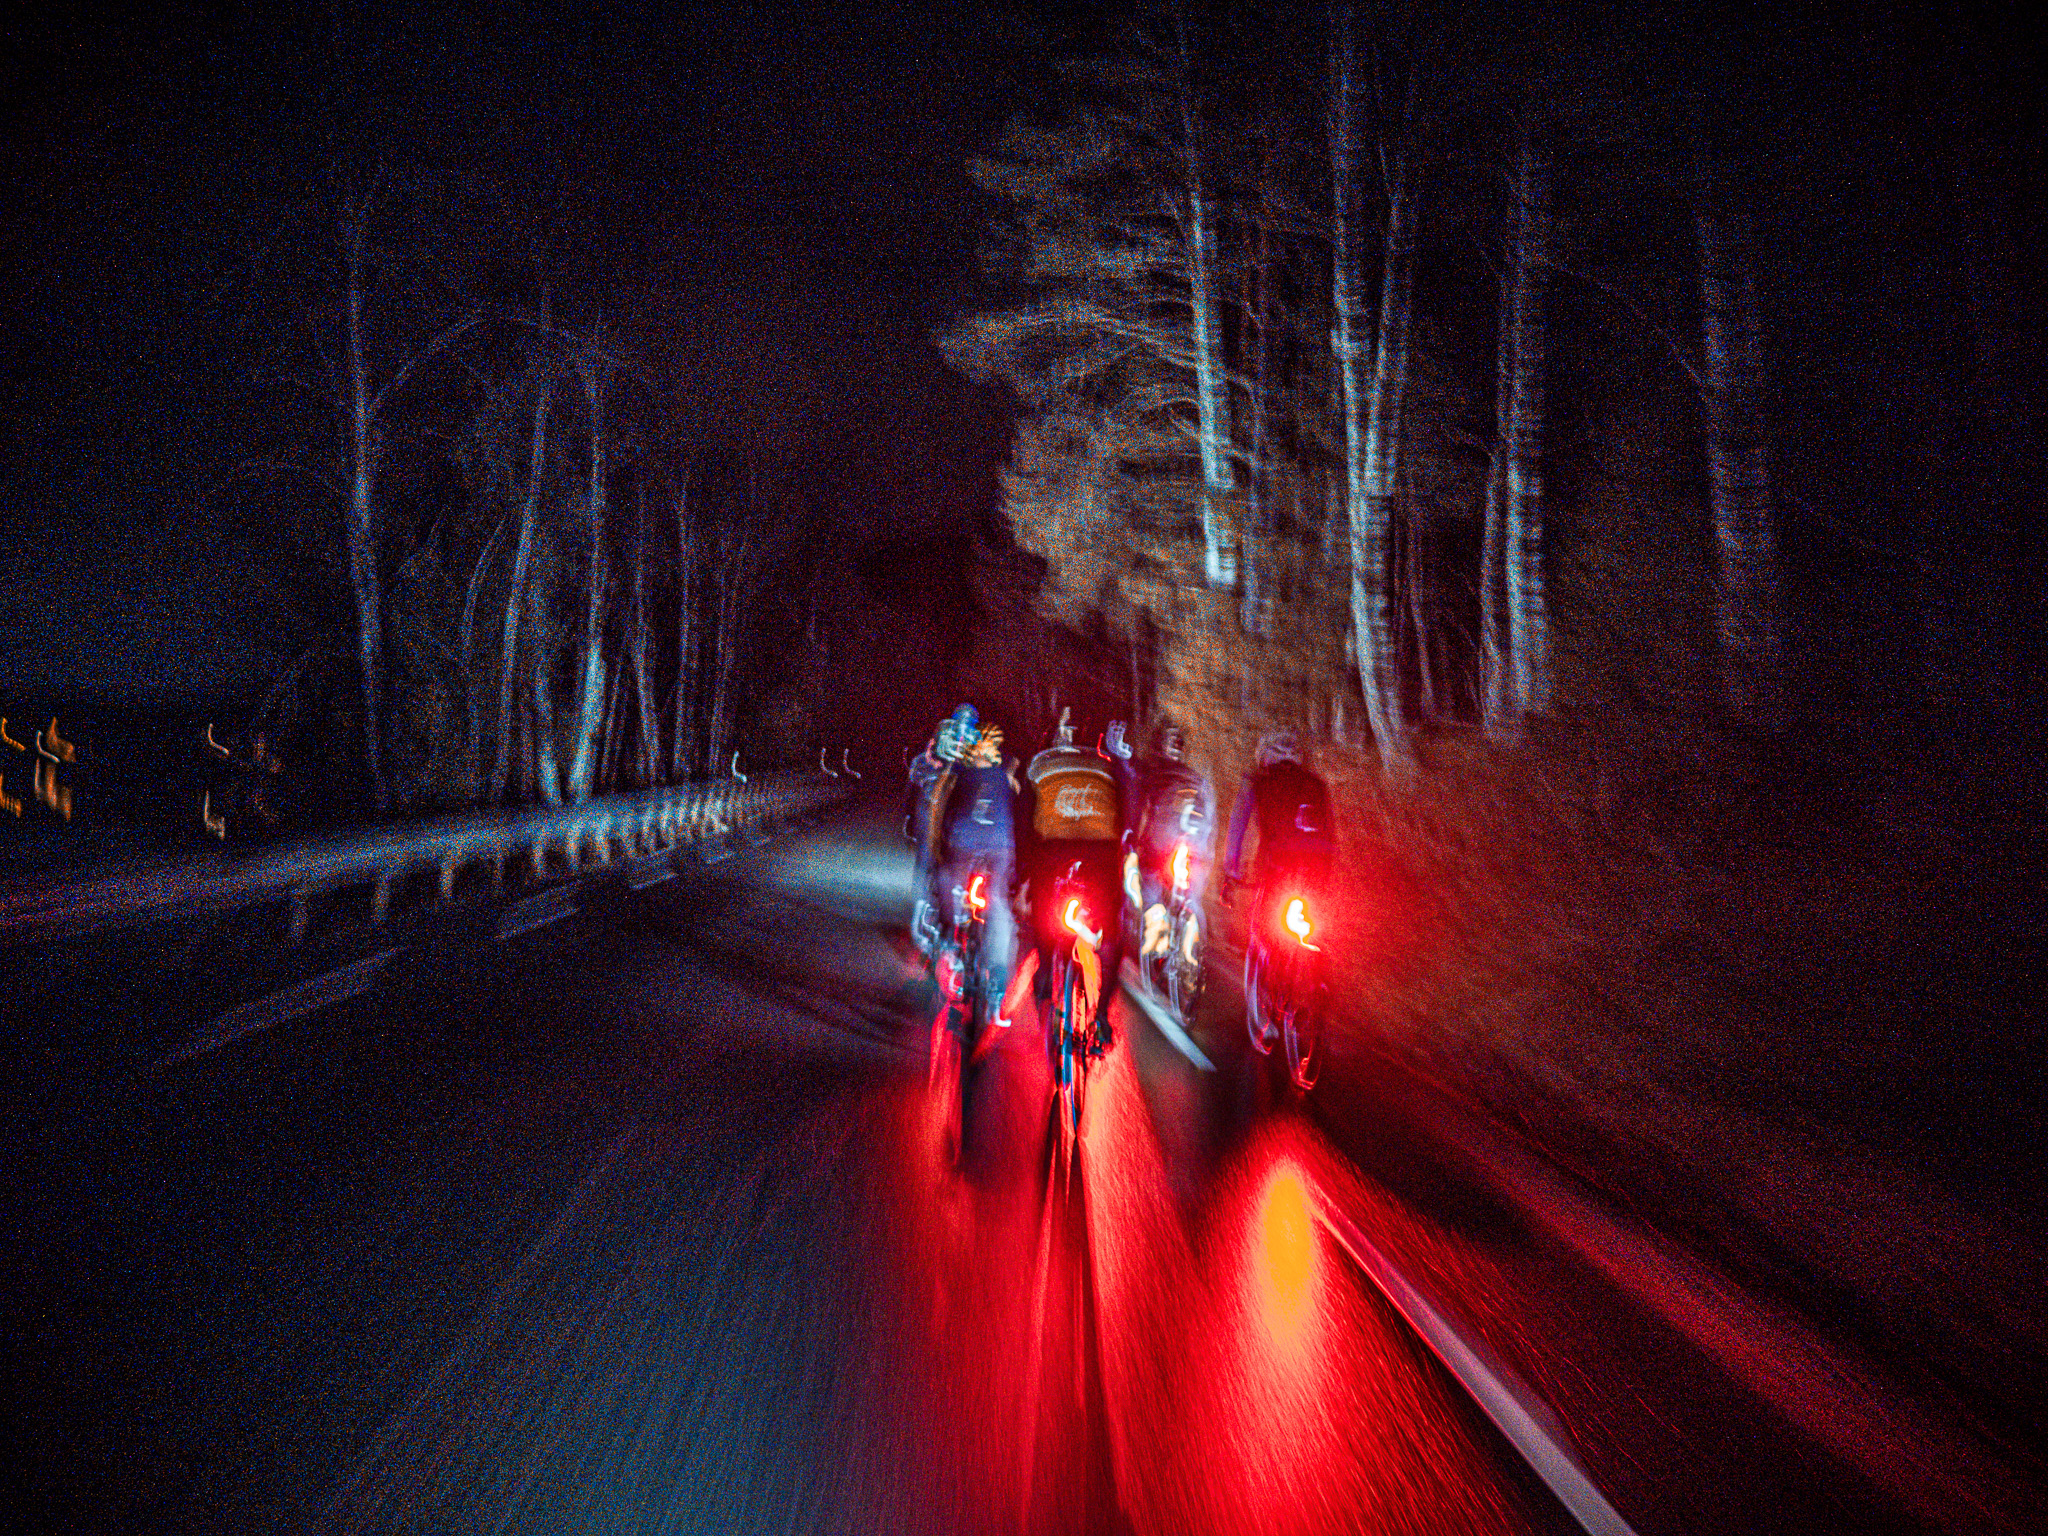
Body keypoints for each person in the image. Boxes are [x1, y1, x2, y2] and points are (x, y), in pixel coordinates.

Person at [1221, 729, 1336, 1041]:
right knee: (1314, 932)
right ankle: (1317, 988)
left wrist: (1230, 873)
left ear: (1266, 754)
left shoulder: (1257, 781)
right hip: (1316, 874)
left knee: (1265, 932)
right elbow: (1329, 838)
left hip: (1275, 871)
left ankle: (1273, 1007)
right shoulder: (1317, 785)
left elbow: (1237, 830)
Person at [1020, 708, 1124, 1053]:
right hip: (1100, 856)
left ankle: (1048, 970)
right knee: (1110, 937)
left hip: (1055, 852)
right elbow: (1124, 816)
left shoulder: (1039, 764)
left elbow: (1025, 821)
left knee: (1043, 913)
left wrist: (1021, 878)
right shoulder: (1106, 767)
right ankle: (1102, 1017)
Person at [929, 717, 1020, 1025]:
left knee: (948, 885)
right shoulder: (1007, 773)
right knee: (998, 907)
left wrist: (935, 848)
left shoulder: (957, 772)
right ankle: (996, 989)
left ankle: (950, 947)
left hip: (964, 844)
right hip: (999, 846)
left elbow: (939, 811)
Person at [1126, 723, 1216, 970]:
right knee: (1189, 895)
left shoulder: (1151, 773)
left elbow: (1138, 809)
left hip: (1162, 846)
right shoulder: (1193, 776)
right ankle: (1192, 951)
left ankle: (1159, 943)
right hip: (1190, 846)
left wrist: (1133, 839)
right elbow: (1208, 814)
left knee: (1152, 892)